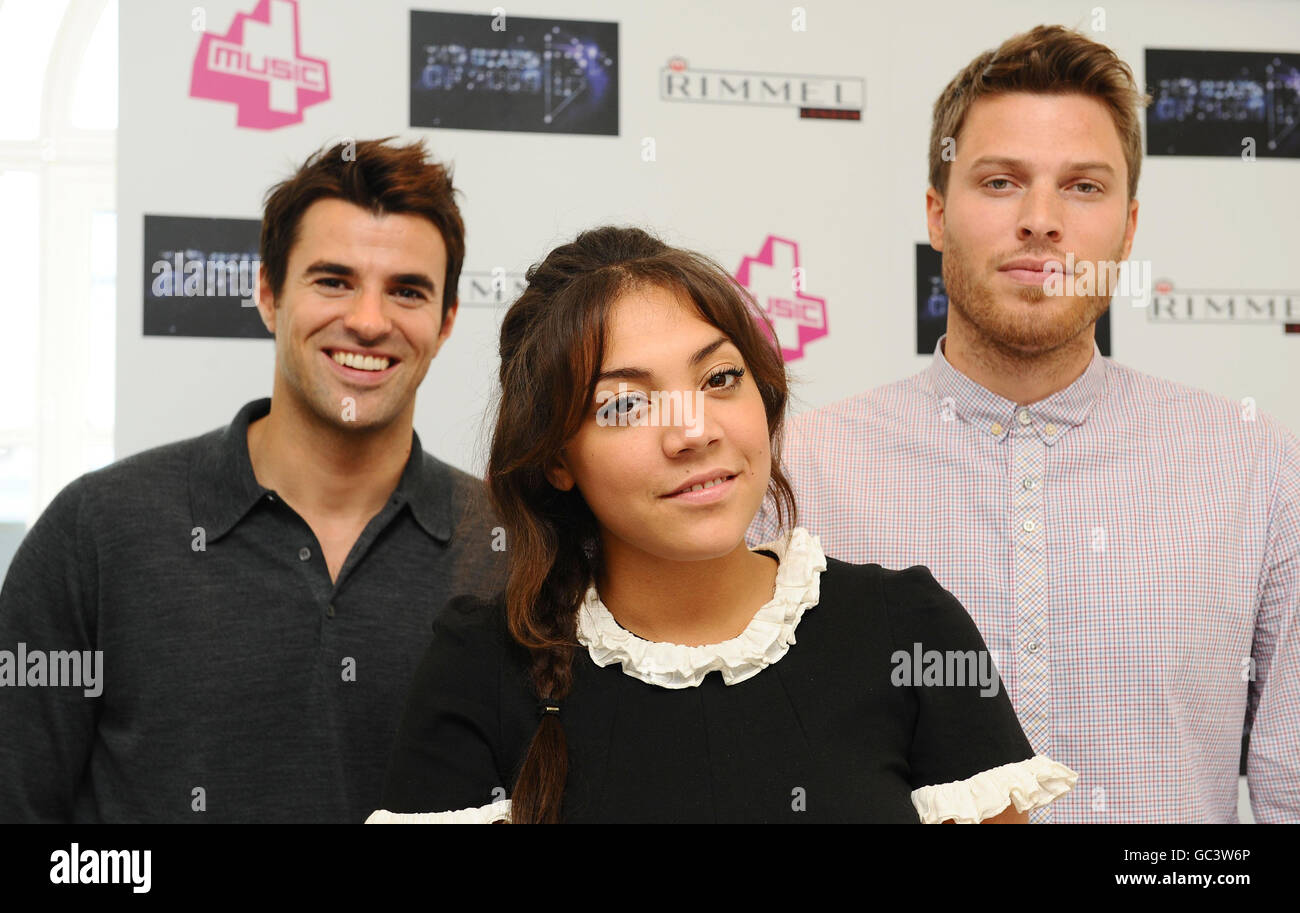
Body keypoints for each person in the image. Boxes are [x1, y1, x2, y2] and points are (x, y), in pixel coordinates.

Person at [748, 25, 1300, 822]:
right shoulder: (797, 471)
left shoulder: (1254, 469)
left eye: (1083, 186)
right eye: (1001, 182)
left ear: (1130, 229)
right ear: (937, 215)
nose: (1041, 220)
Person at [367, 226, 1077, 824]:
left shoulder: (909, 628)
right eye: (625, 405)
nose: (693, 432)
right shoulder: (482, 665)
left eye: (718, 379)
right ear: (557, 458)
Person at [0, 138, 508, 822]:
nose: (367, 320)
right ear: (267, 293)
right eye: (333, 280)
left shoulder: (509, 551)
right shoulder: (97, 530)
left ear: (446, 321)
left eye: (407, 291)